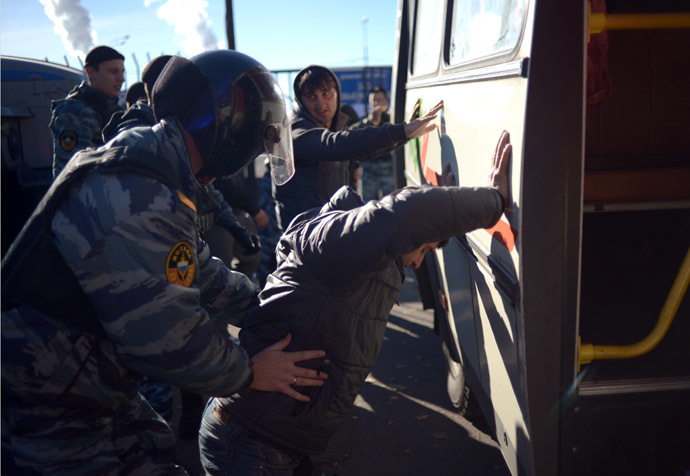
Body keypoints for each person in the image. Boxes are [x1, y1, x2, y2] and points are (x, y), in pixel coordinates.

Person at [1, 49, 327, 475]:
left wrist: (268, 307)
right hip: (49, 396)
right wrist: (250, 372)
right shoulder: (142, 194)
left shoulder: (158, 167)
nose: (251, 153)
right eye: (253, 137)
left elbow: (199, 272)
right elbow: (171, 339)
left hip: (81, 375)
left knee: (155, 445)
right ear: (226, 127)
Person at [199, 130, 513, 475]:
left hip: (278, 442)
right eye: (422, 248)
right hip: (250, 443)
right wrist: (491, 201)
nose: (419, 263)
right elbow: (406, 214)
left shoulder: (366, 257)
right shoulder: (338, 243)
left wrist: (448, 206)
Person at [273, 64, 442, 231]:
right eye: (311, 96)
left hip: (332, 228)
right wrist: (401, 131)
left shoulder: (333, 126)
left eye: (326, 93)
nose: (320, 103)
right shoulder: (296, 131)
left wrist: (405, 135)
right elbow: (335, 144)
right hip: (306, 236)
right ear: (300, 101)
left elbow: (353, 146)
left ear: (337, 94)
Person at [50, 45, 125, 177]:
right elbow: (72, 170)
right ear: (90, 72)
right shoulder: (74, 111)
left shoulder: (112, 108)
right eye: (113, 71)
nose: (121, 78)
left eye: (122, 71)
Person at [355, 86, 396, 201]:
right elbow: (356, 135)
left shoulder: (392, 118)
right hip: (369, 170)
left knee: (391, 204)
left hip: (388, 168)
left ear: (386, 101)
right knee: (368, 206)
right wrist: (371, 122)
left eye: (380, 99)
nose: (377, 103)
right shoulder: (365, 121)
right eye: (374, 100)